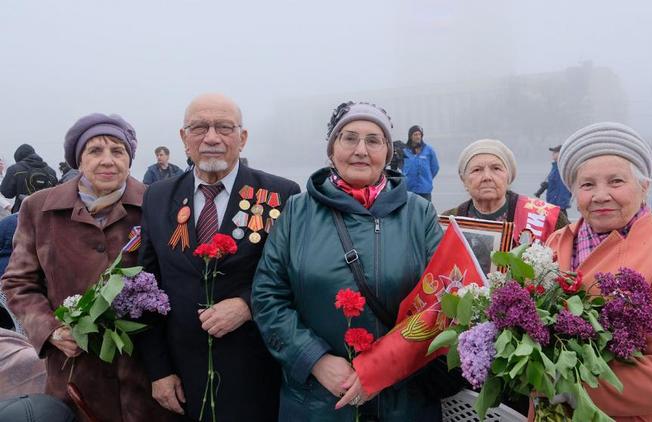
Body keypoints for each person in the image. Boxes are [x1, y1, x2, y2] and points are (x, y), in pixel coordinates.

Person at [252, 101, 444, 421]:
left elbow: (441, 299)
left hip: (402, 399)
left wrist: (382, 368)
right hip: (317, 399)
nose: (360, 150)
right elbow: (268, 295)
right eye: (349, 138)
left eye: (373, 140)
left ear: (387, 151)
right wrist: (313, 359)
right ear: (331, 150)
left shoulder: (418, 214)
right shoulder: (297, 213)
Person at [137, 93, 300, 421]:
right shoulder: (157, 197)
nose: (211, 137)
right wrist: (158, 371)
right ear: (184, 138)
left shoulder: (282, 194)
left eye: (224, 127)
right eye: (199, 127)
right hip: (183, 379)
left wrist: (247, 304)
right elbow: (146, 290)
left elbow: (296, 276)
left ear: (243, 137)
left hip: (257, 372)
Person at [543, 122, 652, 421]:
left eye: (616, 182)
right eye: (587, 185)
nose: (600, 195)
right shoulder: (555, 243)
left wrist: (575, 387)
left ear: (644, 186)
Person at [1, 113, 172, 421]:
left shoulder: (156, 204)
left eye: (117, 151)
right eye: (95, 151)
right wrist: (52, 330)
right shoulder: (40, 209)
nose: (107, 160)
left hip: (146, 376)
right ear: (78, 160)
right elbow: (18, 283)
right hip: (75, 376)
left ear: (130, 160)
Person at [444, 139, 568, 243]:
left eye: (496, 168)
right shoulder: (447, 222)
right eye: (477, 170)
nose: (487, 177)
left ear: (508, 177)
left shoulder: (548, 219)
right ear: (464, 180)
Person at [0, 144, 57, 213]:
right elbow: (55, 197)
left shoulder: (14, 169)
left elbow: (7, 193)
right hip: (46, 216)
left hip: (23, 215)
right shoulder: (51, 172)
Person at [402, 125, 439, 201]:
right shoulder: (404, 151)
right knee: (410, 211)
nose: (418, 137)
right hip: (409, 188)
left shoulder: (429, 150)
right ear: (410, 136)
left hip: (424, 189)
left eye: (419, 134)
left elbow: (435, 167)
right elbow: (401, 167)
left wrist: (427, 177)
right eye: (415, 134)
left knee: (425, 211)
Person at [534, 145, 572, 216]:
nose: (553, 153)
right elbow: (554, 182)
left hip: (557, 205)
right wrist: (546, 185)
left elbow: (563, 187)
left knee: (560, 225)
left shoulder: (561, 168)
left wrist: (559, 204)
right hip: (554, 204)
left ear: (562, 154)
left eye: (555, 152)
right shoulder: (555, 167)